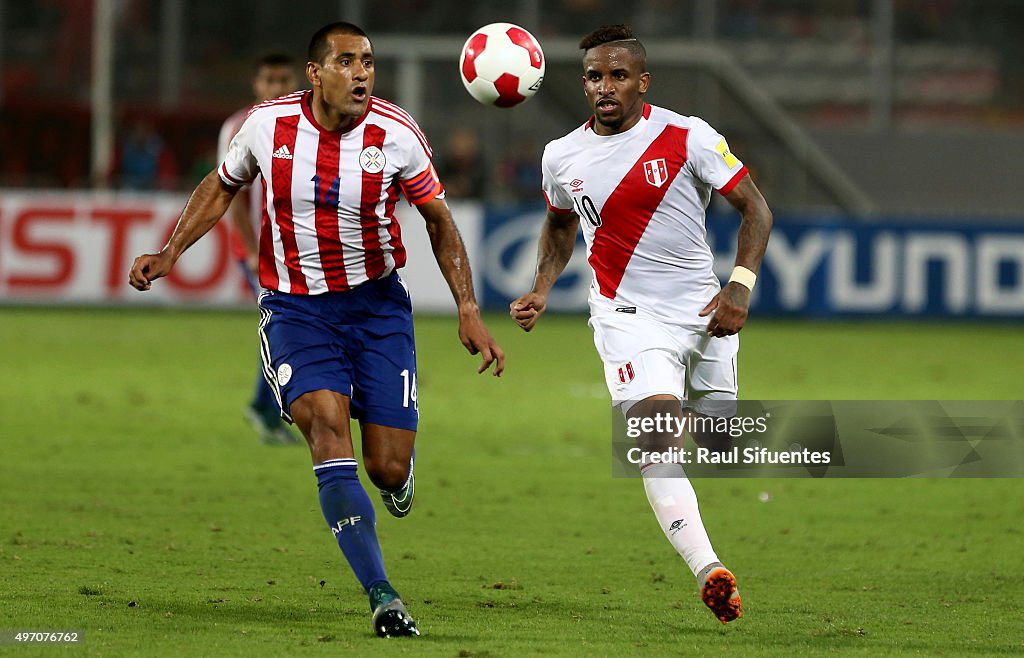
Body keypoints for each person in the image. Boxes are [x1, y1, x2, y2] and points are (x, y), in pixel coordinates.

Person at [130, 21, 505, 638]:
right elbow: (222, 188)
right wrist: (171, 253)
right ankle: (383, 594)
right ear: (317, 73)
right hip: (295, 309)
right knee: (327, 429)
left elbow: (438, 220)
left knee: (385, 467)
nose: (362, 73)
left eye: (369, 63)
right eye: (348, 61)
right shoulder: (267, 125)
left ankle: (398, 475)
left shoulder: (397, 133)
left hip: (379, 309)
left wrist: (466, 306)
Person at [510, 24, 772, 625]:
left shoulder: (688, 136)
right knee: (657, 434)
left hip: (704, 314)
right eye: (595, 77)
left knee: (719, 439)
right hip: (626, 316)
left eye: (618, 75)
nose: (605, 86)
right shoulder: (561, 155)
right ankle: (710, 570)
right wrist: (543, 287)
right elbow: (558, 225)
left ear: (642, 81)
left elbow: (755, 207)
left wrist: (740, 284)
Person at [217, 52, 300, 445]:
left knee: (287, 327)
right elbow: (230, 194)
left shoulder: (304, 124)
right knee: (284, 326)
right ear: (257, 85)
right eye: (270, 81)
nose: (277, 88)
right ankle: (262, 407)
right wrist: (251, 249)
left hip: (293, 250)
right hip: (258, 252)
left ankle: (267, 409)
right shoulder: (239, 126)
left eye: (283, 80)